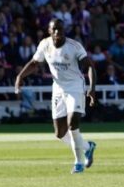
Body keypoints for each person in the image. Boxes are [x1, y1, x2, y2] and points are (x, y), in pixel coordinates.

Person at [15, 19, 98, 174]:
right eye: (54, 29)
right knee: (60, 133)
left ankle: (78, 163)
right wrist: (20, 76)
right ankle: (87, 146)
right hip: (58, 89)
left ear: (64, 30)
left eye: (60, 29)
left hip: (75, 87)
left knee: (73, 123)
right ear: (49, 31)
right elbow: (34, 63)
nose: (58, 32)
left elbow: (90, 67)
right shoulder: (44, 44)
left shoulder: (74, 46)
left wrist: (92, 89)